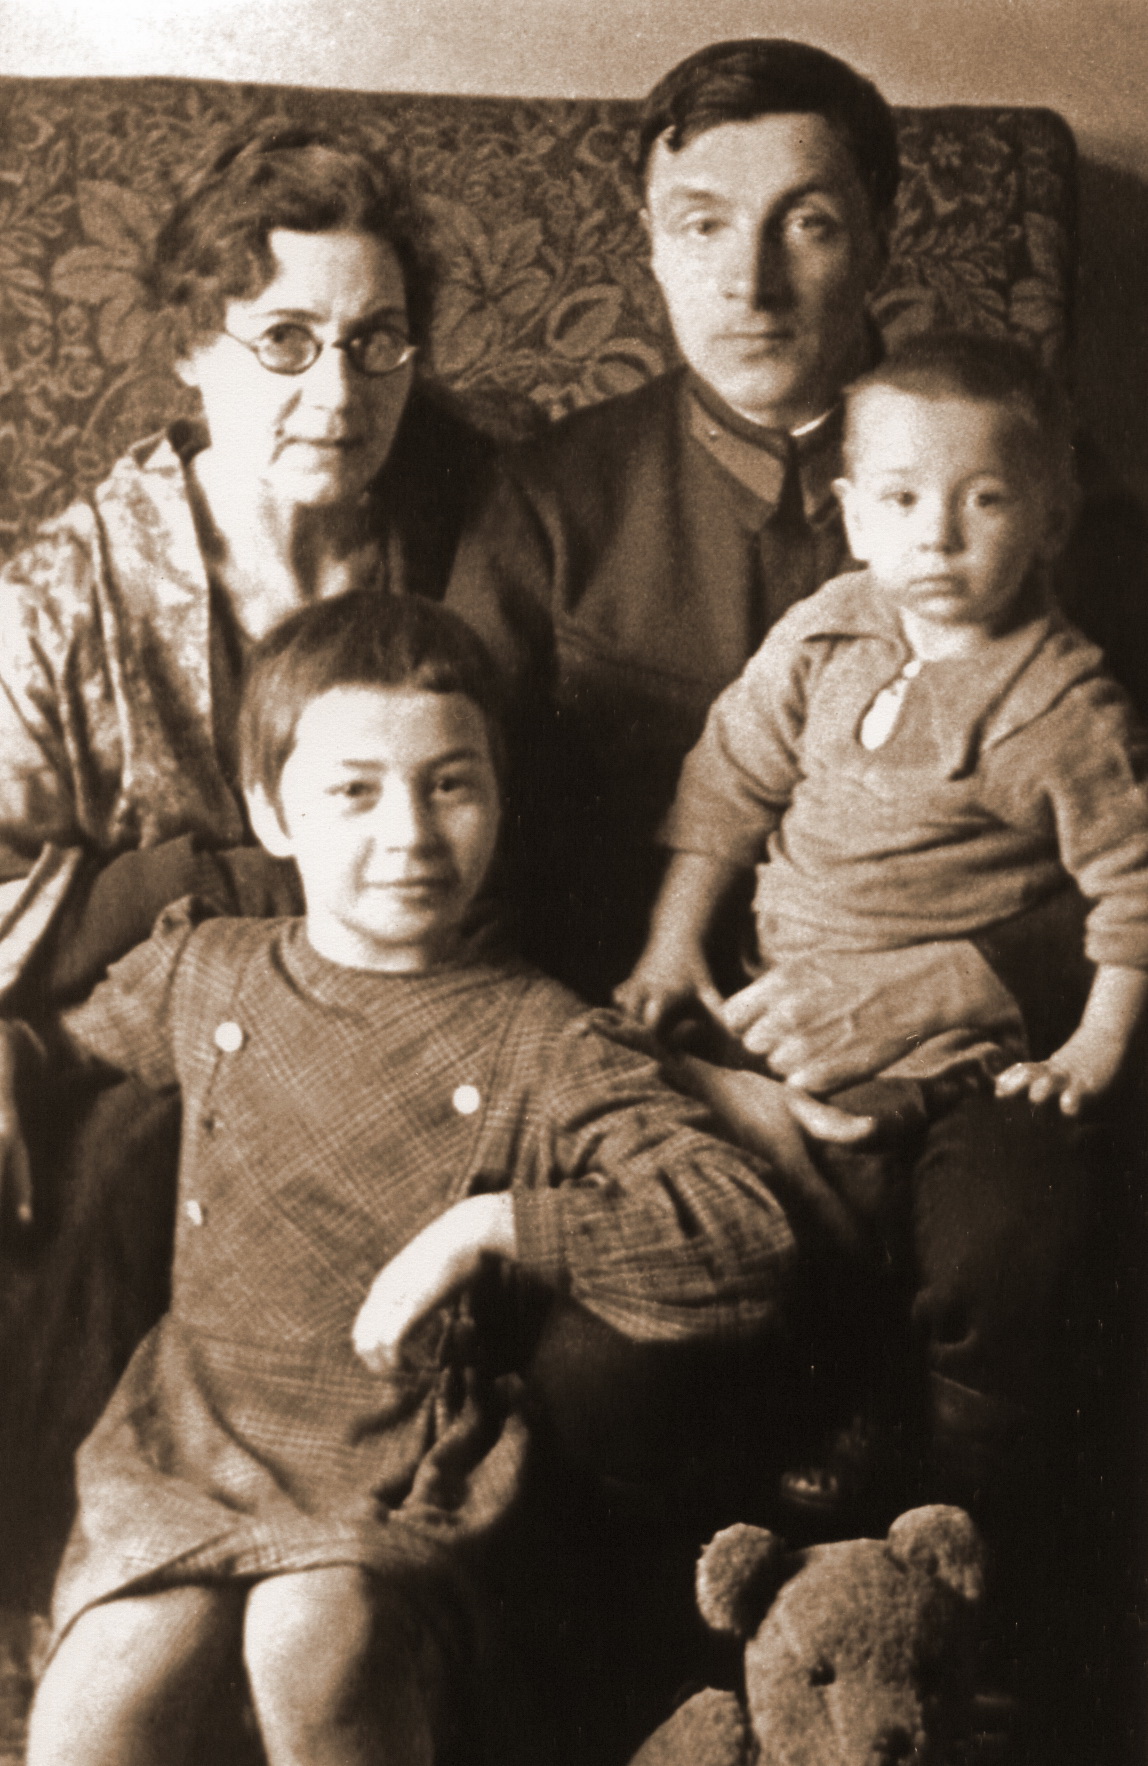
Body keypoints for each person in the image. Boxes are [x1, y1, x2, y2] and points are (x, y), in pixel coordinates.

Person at [2, 590, 795, 1766]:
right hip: (192, 1424)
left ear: (500, 797)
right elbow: (58, 1046)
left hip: (398, 1444)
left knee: (310, 1640)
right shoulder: (203, 970)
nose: (410, 834)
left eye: (449, 783)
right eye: (354, 790)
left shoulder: (541, 1037)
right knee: (100, 1700)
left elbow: (740, 1234)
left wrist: (492, 1224)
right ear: (270, 812)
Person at [0, 123, 499, 1598]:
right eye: (283, 340)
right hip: (140, 1041)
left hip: (413, 1018)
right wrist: (187, 891)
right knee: (128, 1151)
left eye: (377, 342)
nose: (337, 393)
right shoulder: (64, 594)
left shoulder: (472, 528)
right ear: (190, 346)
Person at [619, 331, 1148, 1505]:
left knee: (888, 1201)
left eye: (983, 500)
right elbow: (726, 780)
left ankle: (901, 1451)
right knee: (666, 1148)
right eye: (901, 500)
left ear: (1049, 519)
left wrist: (1090, 1048)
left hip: (943, 1050)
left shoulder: (1064, 709)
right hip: (769, 994)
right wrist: (669, 940)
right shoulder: (830, 628)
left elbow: (1132, 890)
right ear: (853, 513)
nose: (937, 537)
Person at [447, 38, 899, 1009]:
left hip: (934, 1035)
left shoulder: (1033, 481)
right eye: (703, 225)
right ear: (650, 242)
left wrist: (982, 977)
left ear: (878, 238)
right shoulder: (544, 503)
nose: (751, 282)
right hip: (611, 1023)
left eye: (807, 224)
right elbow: (450, 849)